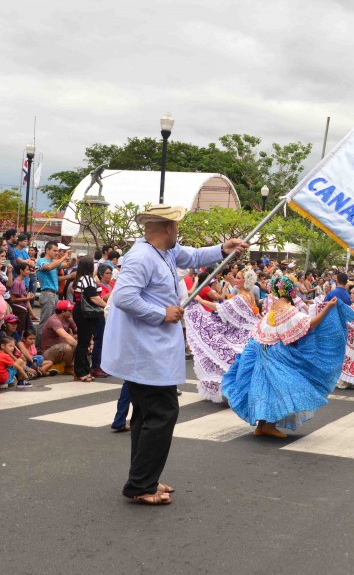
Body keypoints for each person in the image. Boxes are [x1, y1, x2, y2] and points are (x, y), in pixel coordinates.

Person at [101, 205, 247, 506]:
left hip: (151, 349)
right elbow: (125, 296)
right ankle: (141, 484)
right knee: (162, 413)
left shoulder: (164, 252)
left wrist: (222, 249)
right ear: (168, 227)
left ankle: (144, 478)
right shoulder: (141, 257)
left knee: (146, 415)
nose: (178, 232)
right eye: (177, 226)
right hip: (145, 350)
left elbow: (192, 256)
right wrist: (161, 312)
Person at [222, 275, 350, 437]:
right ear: (290, 291)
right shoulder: (287, 309)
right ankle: (267, 425)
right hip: (276, 352)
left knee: (267, 387)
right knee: (282, 386)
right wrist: (327, 308)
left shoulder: (275, 305)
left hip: (264, 349)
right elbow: (309, 324)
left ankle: (262, 425)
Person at [182, 269, 259, 403]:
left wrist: (200, 300)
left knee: (226, 356)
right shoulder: (248, 294)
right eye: (237, 277)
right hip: (245, 332)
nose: (236, 279)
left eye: (239, 278)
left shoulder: (242, 297)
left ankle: (236, 392)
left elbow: (221, 308)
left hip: (242, 334)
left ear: (245, 282)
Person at [71, 257, 105, 382]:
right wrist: (107, 307)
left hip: (81, 311)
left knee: (84, 342)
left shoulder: (81, 278)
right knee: (83, 342)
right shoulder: (87, 279)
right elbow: (94, 297)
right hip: (85, 312)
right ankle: (80, 372)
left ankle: (83, 370)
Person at [35, 241, 68, 329]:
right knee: (45, 323)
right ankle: (39, 343)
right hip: (47, 293)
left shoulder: (54, 262)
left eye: (58, 251)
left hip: (55, 294)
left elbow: (68, 265)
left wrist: (73, 260)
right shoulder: (41, 261)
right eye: (54, 250)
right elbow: (49, 267)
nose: (57, 253)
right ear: (47, 250)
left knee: (52, 322)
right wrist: (63, 257)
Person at [40, 300, 77, 374]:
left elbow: (78, 331)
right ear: (63, 312)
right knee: (69, 347)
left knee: (81, 339)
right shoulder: (54, 321)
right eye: (69, 310)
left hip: (60, 348)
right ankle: (68, 367)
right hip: (49, 351)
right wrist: (80, 346)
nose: (71, 312)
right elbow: (65, 336)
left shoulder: (68, 319)